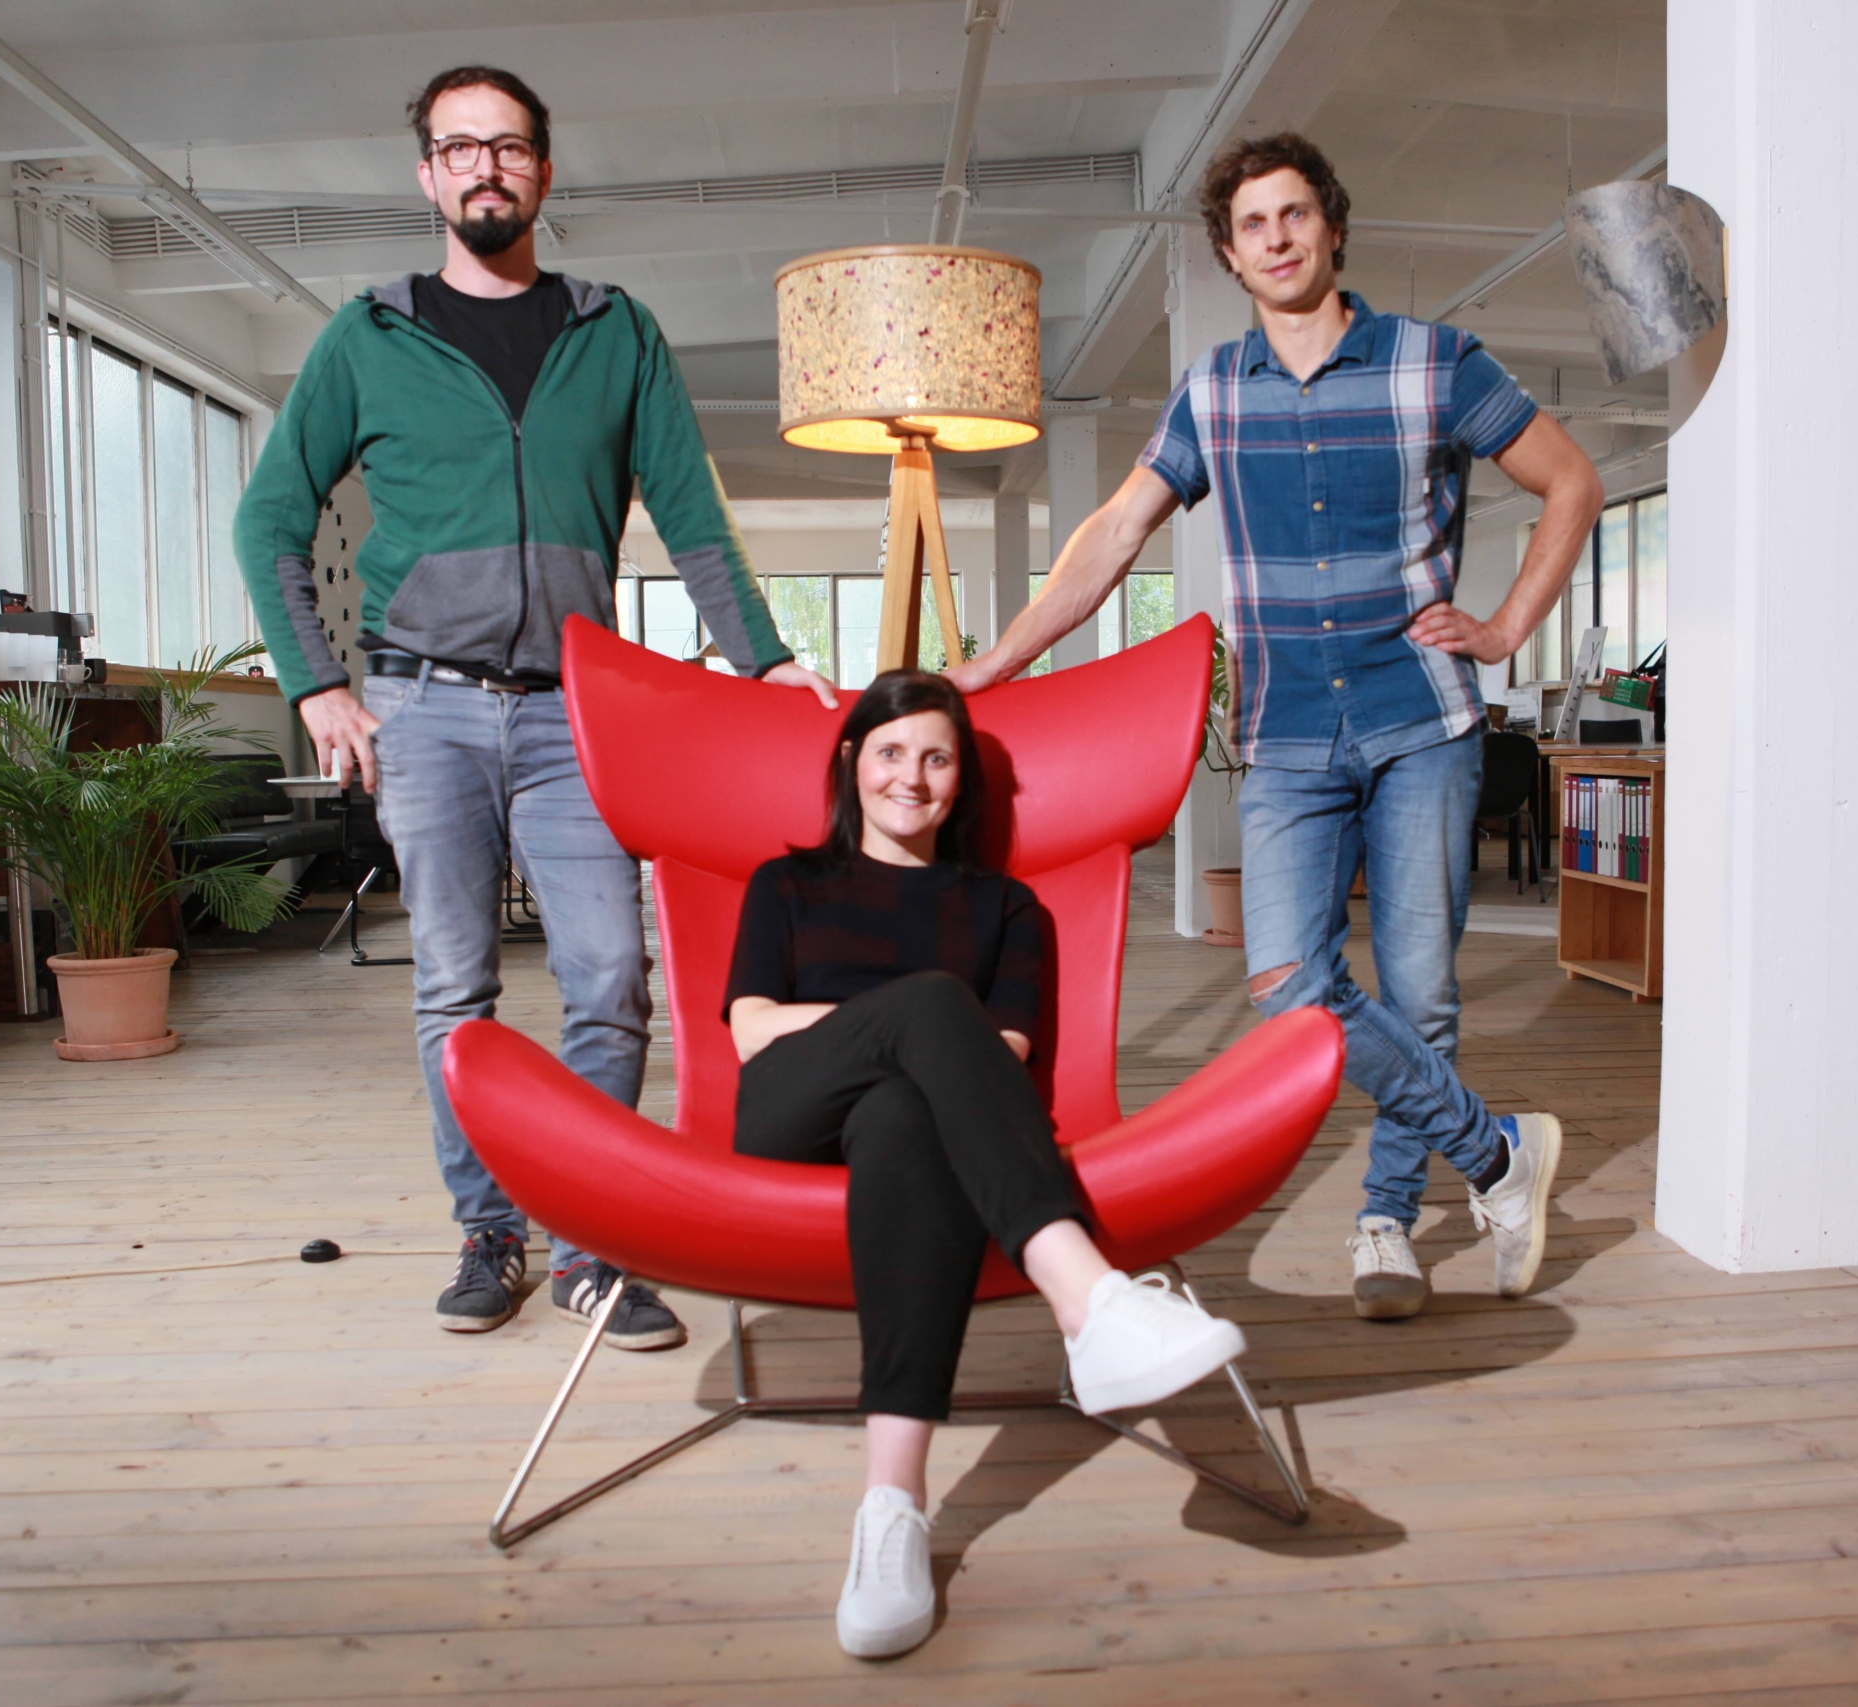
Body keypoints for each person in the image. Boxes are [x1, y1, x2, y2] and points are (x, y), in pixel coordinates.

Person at [947, 133, 1604, 1319]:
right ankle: (1500, 1152)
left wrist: (1506, 627)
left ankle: (1387, 1222)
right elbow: (1111, 533)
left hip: (1420, 722)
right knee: (1287, 984)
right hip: (1289, 733)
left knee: (1419, 993)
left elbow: (1572, 480)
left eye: (1296, 214)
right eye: (1254, 224)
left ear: (1332, 227)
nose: (1279, 238)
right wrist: (997, 660)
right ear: (1229, 252)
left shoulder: (1432, 362)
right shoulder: (1213, 389)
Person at [235, 66, 837, 1340]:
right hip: (421, 706)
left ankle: (594, 1245)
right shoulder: (368, 334)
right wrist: (318, 685)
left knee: (612, 976)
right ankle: (489, 1232)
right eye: (460, 149)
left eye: (508, 147)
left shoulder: (614, 329)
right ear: (429, 177)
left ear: (544, 171)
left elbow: (693, 517)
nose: (485, 168)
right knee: (454, 987)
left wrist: (767, 659)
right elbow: (270, 520)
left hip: (576, 711)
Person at [726, 670, 1250, 1659]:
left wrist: (904, 1043)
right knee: (926, 1013)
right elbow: (753, 1030)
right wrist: (892, 1020)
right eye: (889, 752)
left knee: (902, 1116)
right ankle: (1086, 1296)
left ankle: (891, 1508)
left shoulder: (1004, 906)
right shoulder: (784, 883)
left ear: (959, 780)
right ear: (851, 764)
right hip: (788, 1110)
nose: (910, 778)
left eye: (935, 757)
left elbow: (1002, 1059)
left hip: (918, 1124)